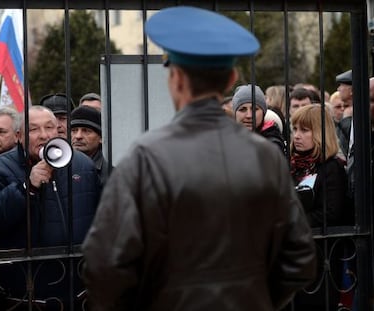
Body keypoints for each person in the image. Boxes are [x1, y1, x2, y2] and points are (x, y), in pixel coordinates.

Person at [82, 6, 316, 311]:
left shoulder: (145, 158)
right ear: (231, 78)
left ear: (176, 78)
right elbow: (299, 259)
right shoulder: (266, 157)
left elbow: (104, 267)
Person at [0, 105, 101, 309]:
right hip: (27, 289)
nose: (43, 135)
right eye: (33, 130)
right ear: (18, 136)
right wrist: (27, 187)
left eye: (50, 128)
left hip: (79, 286)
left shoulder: (83, 165)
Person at [290, 104, 350, 227]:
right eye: (295, 129)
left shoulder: (332, 167)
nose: (296, 136)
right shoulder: (293, 163)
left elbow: (331, 213)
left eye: (304, 130)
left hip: (323, 242)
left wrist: (292, 223)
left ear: (320, 132)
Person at [232, 84, 286, 154]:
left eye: (254, 109)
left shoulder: (272, 144)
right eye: (242, 109)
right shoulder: (225, 139)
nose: (249, 115)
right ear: (235, 113)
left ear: (264, 112)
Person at [71, 105, 110, 185]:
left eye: (86, 131)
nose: (78, 136)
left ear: (101, 138)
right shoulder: (59, 167)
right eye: (74, 130)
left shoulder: (110, 173)